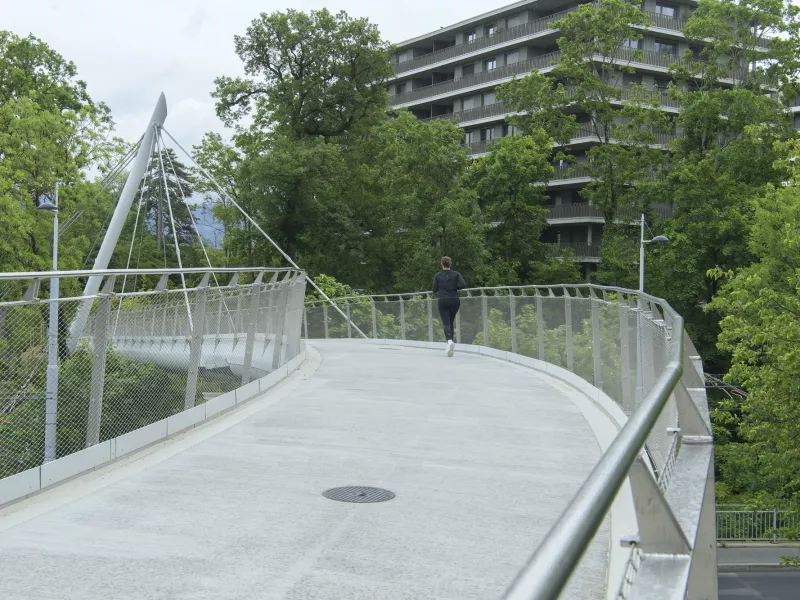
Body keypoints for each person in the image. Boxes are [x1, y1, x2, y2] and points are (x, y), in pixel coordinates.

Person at [432, 256, 466, 357]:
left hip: (443, 301)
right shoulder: (456, 274)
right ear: (450, 264)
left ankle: (450, 341)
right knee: (451, 321)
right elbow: (463, 285)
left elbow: (434, 289)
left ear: (442, 264)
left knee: (446, 322)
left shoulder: (438, 275)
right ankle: (450, 345)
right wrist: (455, 287)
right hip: (455, 300)